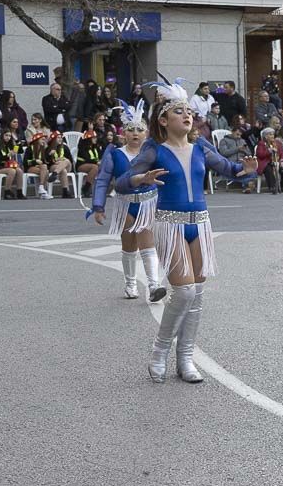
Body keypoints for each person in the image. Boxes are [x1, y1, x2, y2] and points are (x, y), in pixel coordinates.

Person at [117, 78, 257, 383]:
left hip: (201, 225)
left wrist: (248, 169)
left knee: (197, 295)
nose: (187, 114)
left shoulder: (200, 147)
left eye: (188, 110)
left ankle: (186, 358)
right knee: (184, 291)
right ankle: (159, 351)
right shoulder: (154, 149)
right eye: (179, 111)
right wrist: (142, 180)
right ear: (164, 120)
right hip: (170, 224)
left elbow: (231, 171)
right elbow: (124, 181)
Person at [87, 102, 165, 302]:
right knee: (129, 246)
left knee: (148, 243)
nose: (136, 134)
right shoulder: (114, 153)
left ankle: (154, 285)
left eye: (140, 129)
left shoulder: (153, 152)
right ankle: (130, 283)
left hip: (148, 202)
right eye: (131, 130)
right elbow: (103, 179)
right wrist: (98, 206)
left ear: (146, 133)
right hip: (125, 204)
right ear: (123, 134)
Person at [0, 128, 25, 199]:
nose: (8, 137)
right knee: (12, 171)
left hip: (9, 165)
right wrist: (8, 155)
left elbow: (20, 151)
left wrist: (17, 142)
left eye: (9, 136)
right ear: (2, 136)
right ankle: (7, 191)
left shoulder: (10, 145)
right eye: (6, 135)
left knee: (19, 171)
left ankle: (19, 191)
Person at [255, 127, 283, 195]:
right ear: (265, 136)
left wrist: (282, 161)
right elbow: (260, 155)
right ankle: (273, 187)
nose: (272, 136)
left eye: (273, 134)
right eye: (270, 134)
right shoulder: (261, 143)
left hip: (277, 161)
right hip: (265, 162)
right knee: (268, 169)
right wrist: (269, 151)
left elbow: (282, 153)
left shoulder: (277, 143)